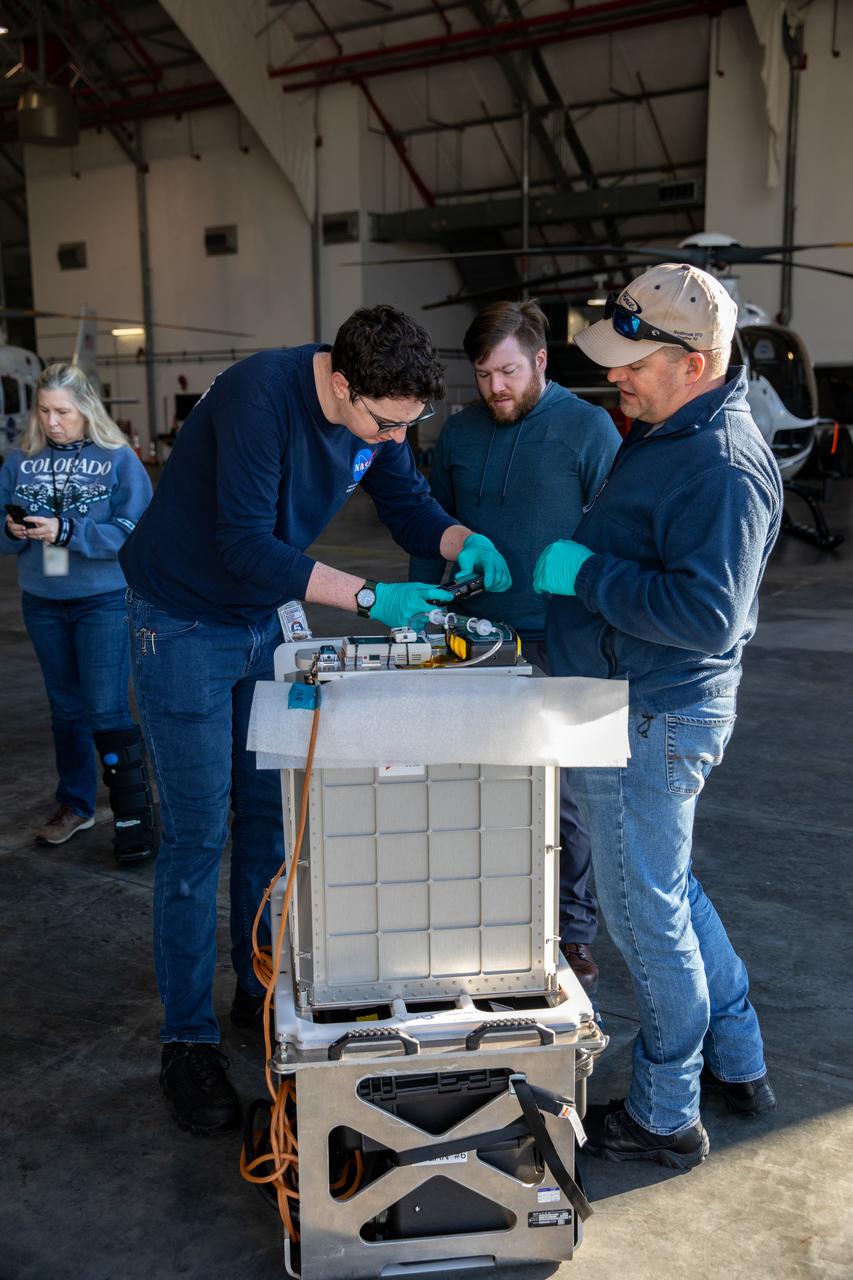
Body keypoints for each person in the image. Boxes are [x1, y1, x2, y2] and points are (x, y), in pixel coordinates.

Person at [119, 304, 513, 1135]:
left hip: (262, 624)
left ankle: (257, 988)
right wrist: (371, 596)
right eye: (386, 422)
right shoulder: (258, 399)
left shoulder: (376, 417)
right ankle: (185, 1041)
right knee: (197, 836)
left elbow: (404, 504)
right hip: (185, 620)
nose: (397, 437)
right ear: (340, 383)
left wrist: (457, 538)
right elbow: (244, 546)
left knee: (268, 819)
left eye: (413, 422)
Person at [533, 263, 782, 1168]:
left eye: (635, 362)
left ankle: (664, 1112)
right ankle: (738, 1053)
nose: (617, 377)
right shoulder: (676, 425)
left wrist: (585, 577)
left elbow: (707, 615)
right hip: (629, 699)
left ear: (697, 361)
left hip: (653, 713)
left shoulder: (720, 465)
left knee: (645, 919)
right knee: (666, 892)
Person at [410, 299, 621, 992]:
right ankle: (489, 909)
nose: (494, 388)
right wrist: (423, 607)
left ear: (538, 360)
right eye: (482, 375)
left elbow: (618, 535)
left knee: (560, 791)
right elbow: (427, 523)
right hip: (475, 635)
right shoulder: (462, 432)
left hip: (562, 639)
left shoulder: (587, 429)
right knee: (474, 779)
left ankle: (573, 928)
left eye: (506, 371)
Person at [0, 363, 156, 864]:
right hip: (42, 600)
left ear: (86, 408)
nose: (52, 421)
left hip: (104, 600)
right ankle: (75, 804)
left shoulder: (118, 459)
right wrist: (13, 530)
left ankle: (133, 815)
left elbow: (135, 531)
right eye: (44, 410)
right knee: (64, 709)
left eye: (63, 411)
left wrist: (68, 532)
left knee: (106, 709)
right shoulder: (18, 461)